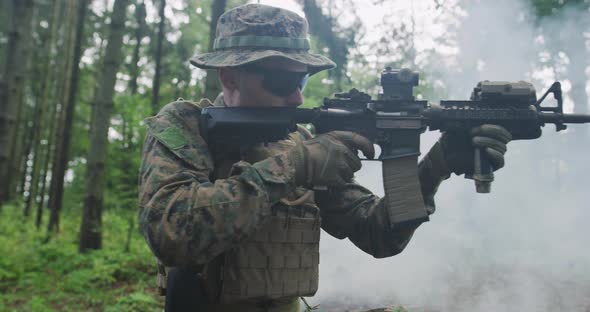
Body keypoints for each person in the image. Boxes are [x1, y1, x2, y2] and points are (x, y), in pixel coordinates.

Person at [138, 3, 512, 312]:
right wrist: (297, 166)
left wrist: (436, 165)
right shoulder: (187, 127)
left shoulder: (299, 144)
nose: (298, 98)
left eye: (301, 83)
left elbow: (378, 235)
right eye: (283, 83)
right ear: (230, 77)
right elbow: (172, 233)